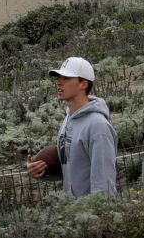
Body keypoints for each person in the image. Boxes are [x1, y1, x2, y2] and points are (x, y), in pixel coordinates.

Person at [27, 57, 117, 197]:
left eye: (66, 78)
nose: (59, 82)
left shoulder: (98, 127)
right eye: (58, 77)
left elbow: (104, 183)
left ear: (83, 84)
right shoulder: (68, 120)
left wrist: (97, 215)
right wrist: (40, 171)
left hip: (91, 214)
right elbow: (71, 167)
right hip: (72, 211)